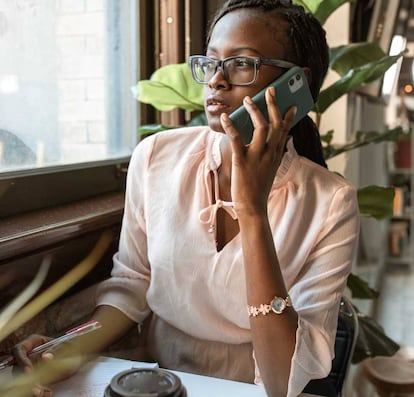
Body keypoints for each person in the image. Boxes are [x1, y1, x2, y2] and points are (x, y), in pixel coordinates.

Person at [12, 1, 360, 396]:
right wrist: (68, 350)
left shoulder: (331, 203)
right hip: (156, 381)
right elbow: (133, 282)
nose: (216, 81)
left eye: (241, 64)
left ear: (296, 83)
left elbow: (282, 379)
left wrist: (252, 212)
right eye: (211, 63)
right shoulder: (157, 156)